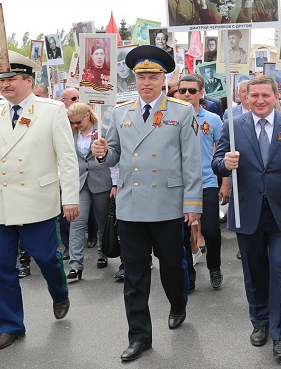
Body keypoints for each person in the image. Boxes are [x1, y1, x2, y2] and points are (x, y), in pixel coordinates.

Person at [0, 51, 79, 351]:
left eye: (11, 79)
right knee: (1, 268)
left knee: (46, 257)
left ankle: (59, 290)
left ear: (29, 80)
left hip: (37, 199)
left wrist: (71, 197)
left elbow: (67, 158)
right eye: (1, 80)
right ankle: (10, 326)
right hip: (1, 200)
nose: (4, 85)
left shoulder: (51, 111)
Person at [90, 45, 202, 362]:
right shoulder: (119, 113)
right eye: (141, 77)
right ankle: (139, 336)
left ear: (164, 79)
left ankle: (178, 302)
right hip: (132, 204)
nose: (147, 83)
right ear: (135, 79)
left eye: (153, 76)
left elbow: (191, 162)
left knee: (172, 265)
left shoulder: (181, 112)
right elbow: (112, 155)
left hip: (167, 203)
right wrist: (101, 152)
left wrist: (192, 204)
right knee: (136, 274)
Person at [211, 75, 281, 360]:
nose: (259, 100)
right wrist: (225, 163)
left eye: (265, 95)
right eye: (253, 95)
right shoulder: (233, 126)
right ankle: (259, 321)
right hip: (247, 211)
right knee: (254, 271)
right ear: (246, 97)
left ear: (276, 96)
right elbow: (217, 162)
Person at [177, 74, 225, 289]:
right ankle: (189, 273)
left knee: (212, 230)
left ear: (201, 92)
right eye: (183, 90)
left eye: (192, 91)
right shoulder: (169, 118)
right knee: (183, 233)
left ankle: (214, 267)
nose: (187, 94)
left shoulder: (213, 120)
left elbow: (222, 153)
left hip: (207, 180)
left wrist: (225, 183)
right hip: (178, 183)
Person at [65, 103, 114, 282]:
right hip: (79, 181)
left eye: (78, 121)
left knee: (102, 221)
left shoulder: (104, 130)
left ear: (88, 115)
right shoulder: (70, 132)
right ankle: (75, 265)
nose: (76, 125)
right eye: (73, 122)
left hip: (101, 180)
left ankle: (102, 253)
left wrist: (115, 183)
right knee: (77, 221)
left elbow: (113, 158)